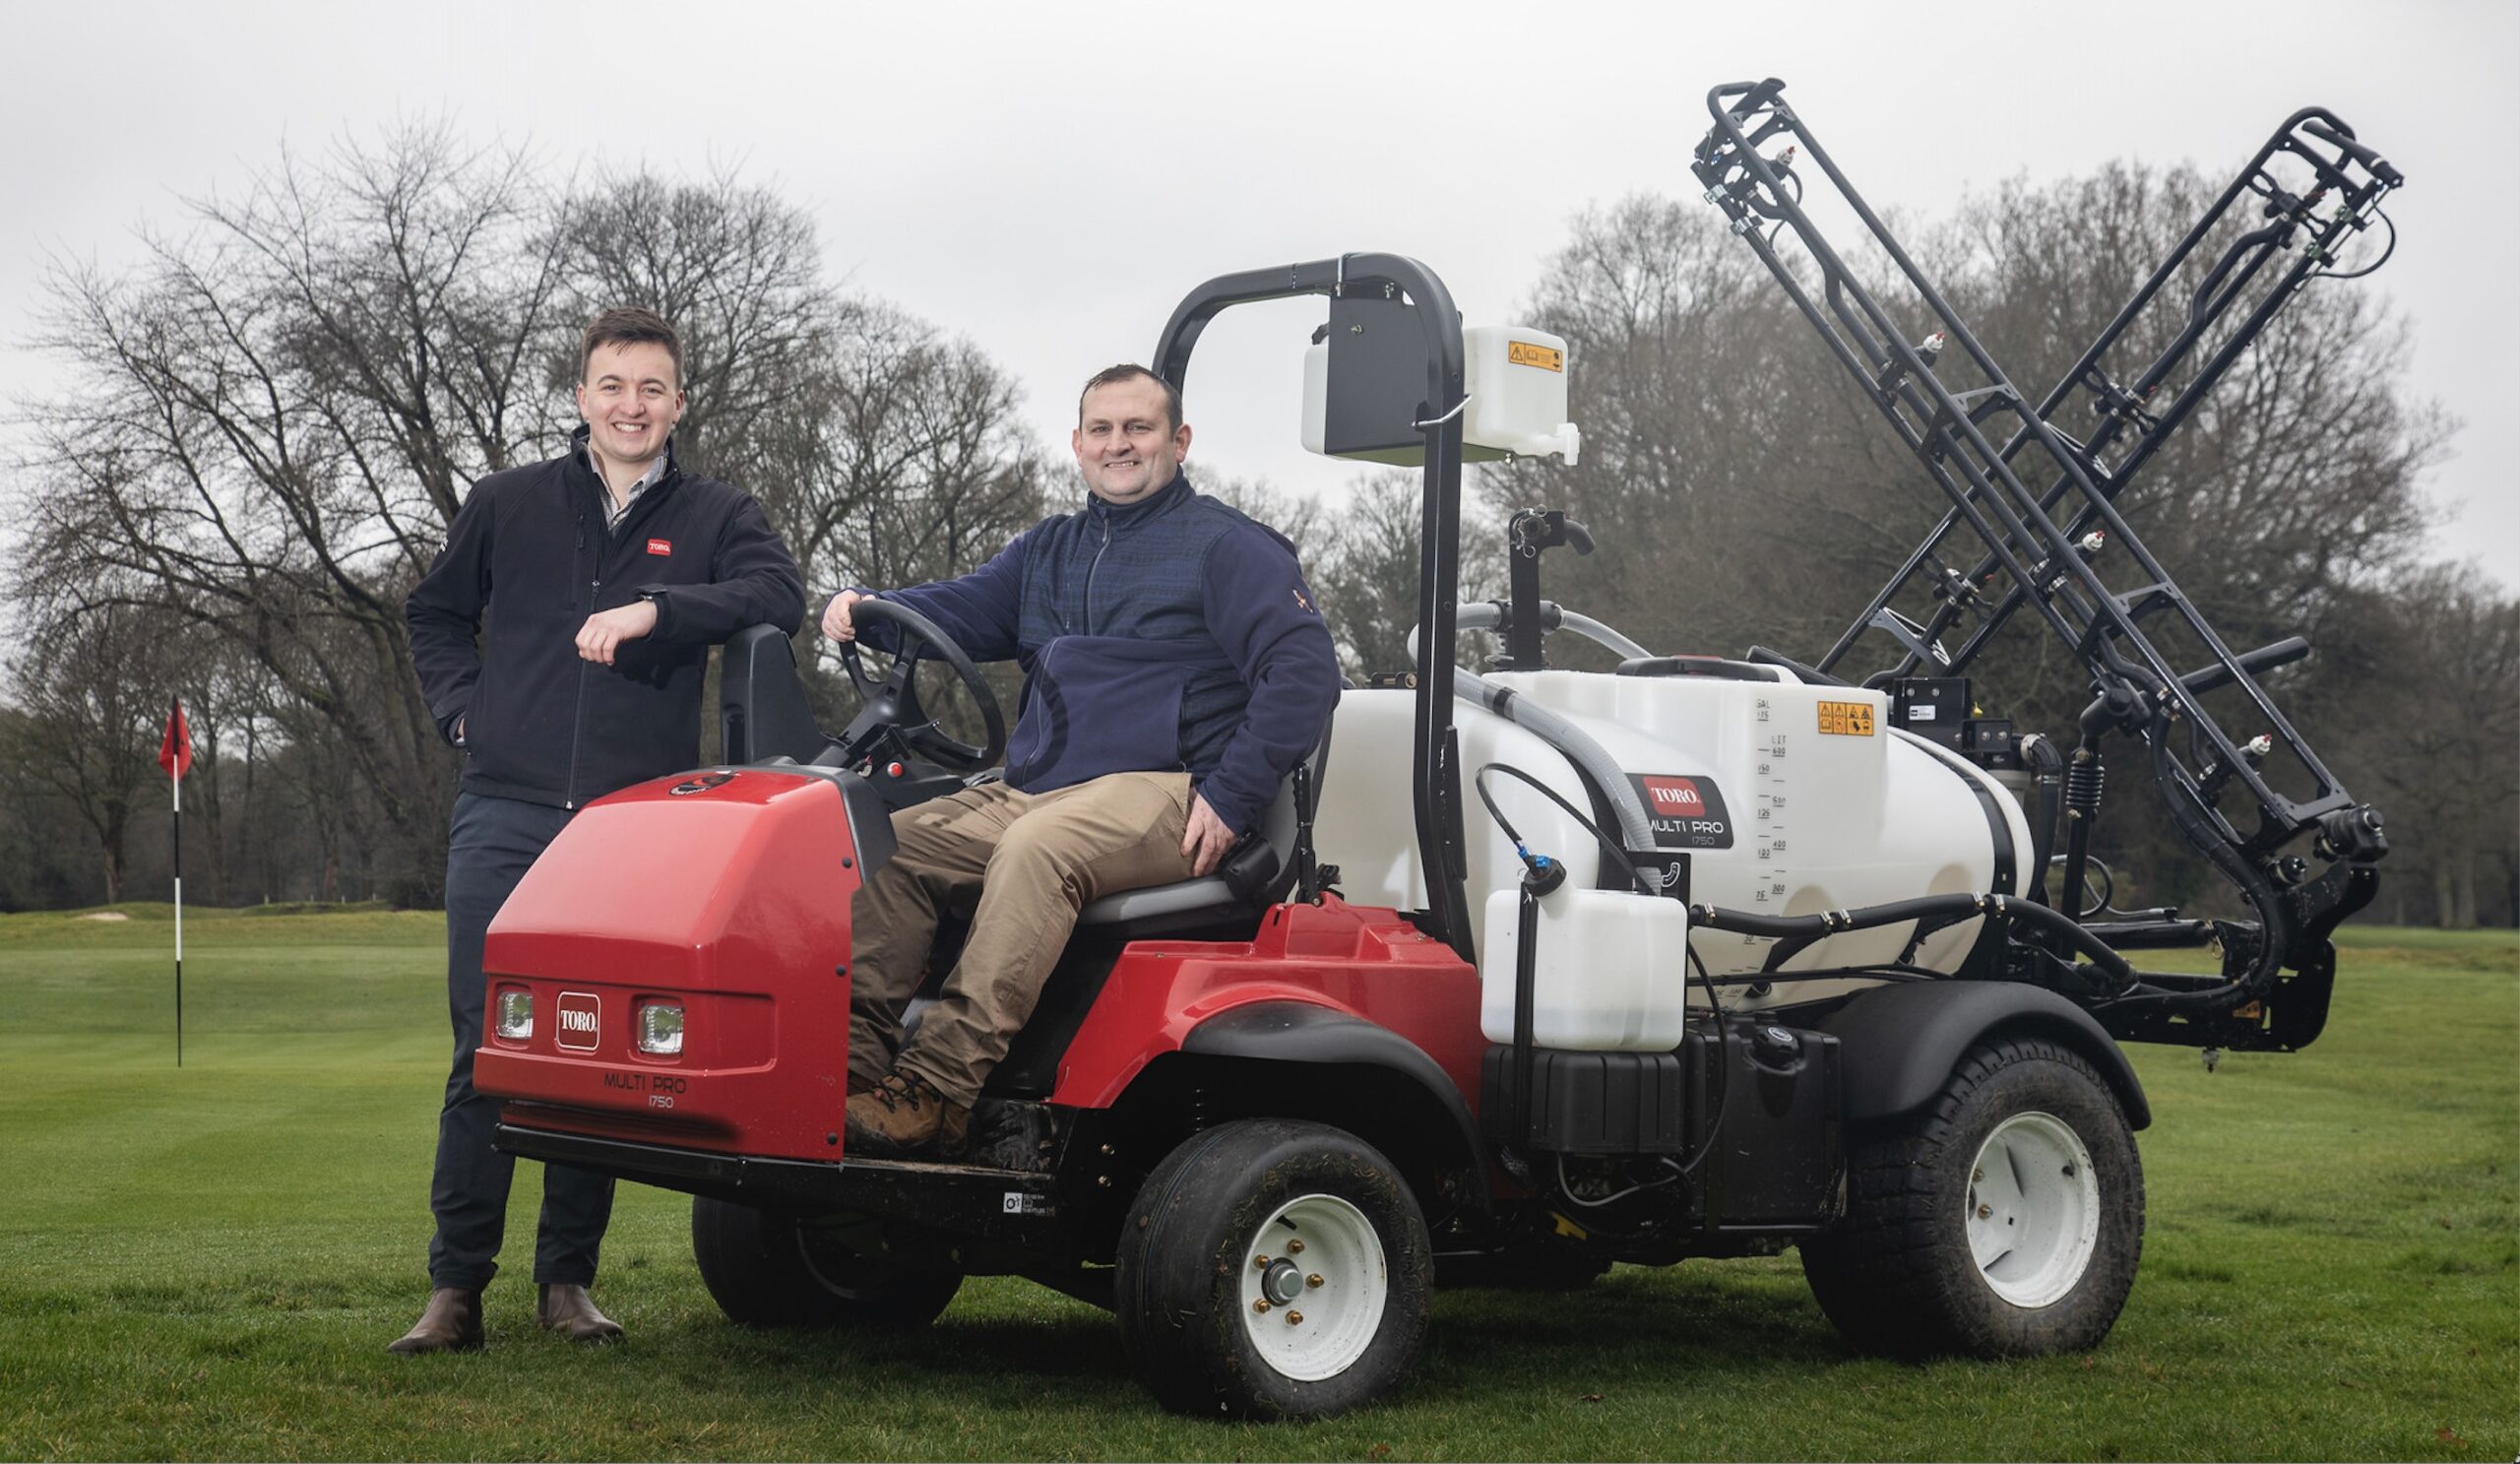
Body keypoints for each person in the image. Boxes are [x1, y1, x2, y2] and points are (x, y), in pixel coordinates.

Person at [397, 307, 805, 1353]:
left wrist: (655, 612)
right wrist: (464, 712)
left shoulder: (717, 512)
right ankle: (454, 1290)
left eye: (652, 388)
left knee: (597, 1053)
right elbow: (435, 613)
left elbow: (778, 592)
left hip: (633, 828)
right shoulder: (508, 502)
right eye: (612, 385)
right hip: (507, 806)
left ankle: (566, 1281)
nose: (632, 405)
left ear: (679, 401)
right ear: (581, 396)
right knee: (483, 1048)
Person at [822, 363, 1339, 1156]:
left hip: (1168, 791)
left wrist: (1233, 796)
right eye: (1102, 429)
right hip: (1041, 787)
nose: (1119, 444)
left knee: (1039, 848)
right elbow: (962, 608)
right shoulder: (1048, 551)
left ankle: (936, 1088)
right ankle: (851, 1077)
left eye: (1139, 428)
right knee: (886, 843)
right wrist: (871, 610)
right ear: (1077, 444)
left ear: (1179, 440)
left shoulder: (1227, 548)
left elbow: (1305, 672)